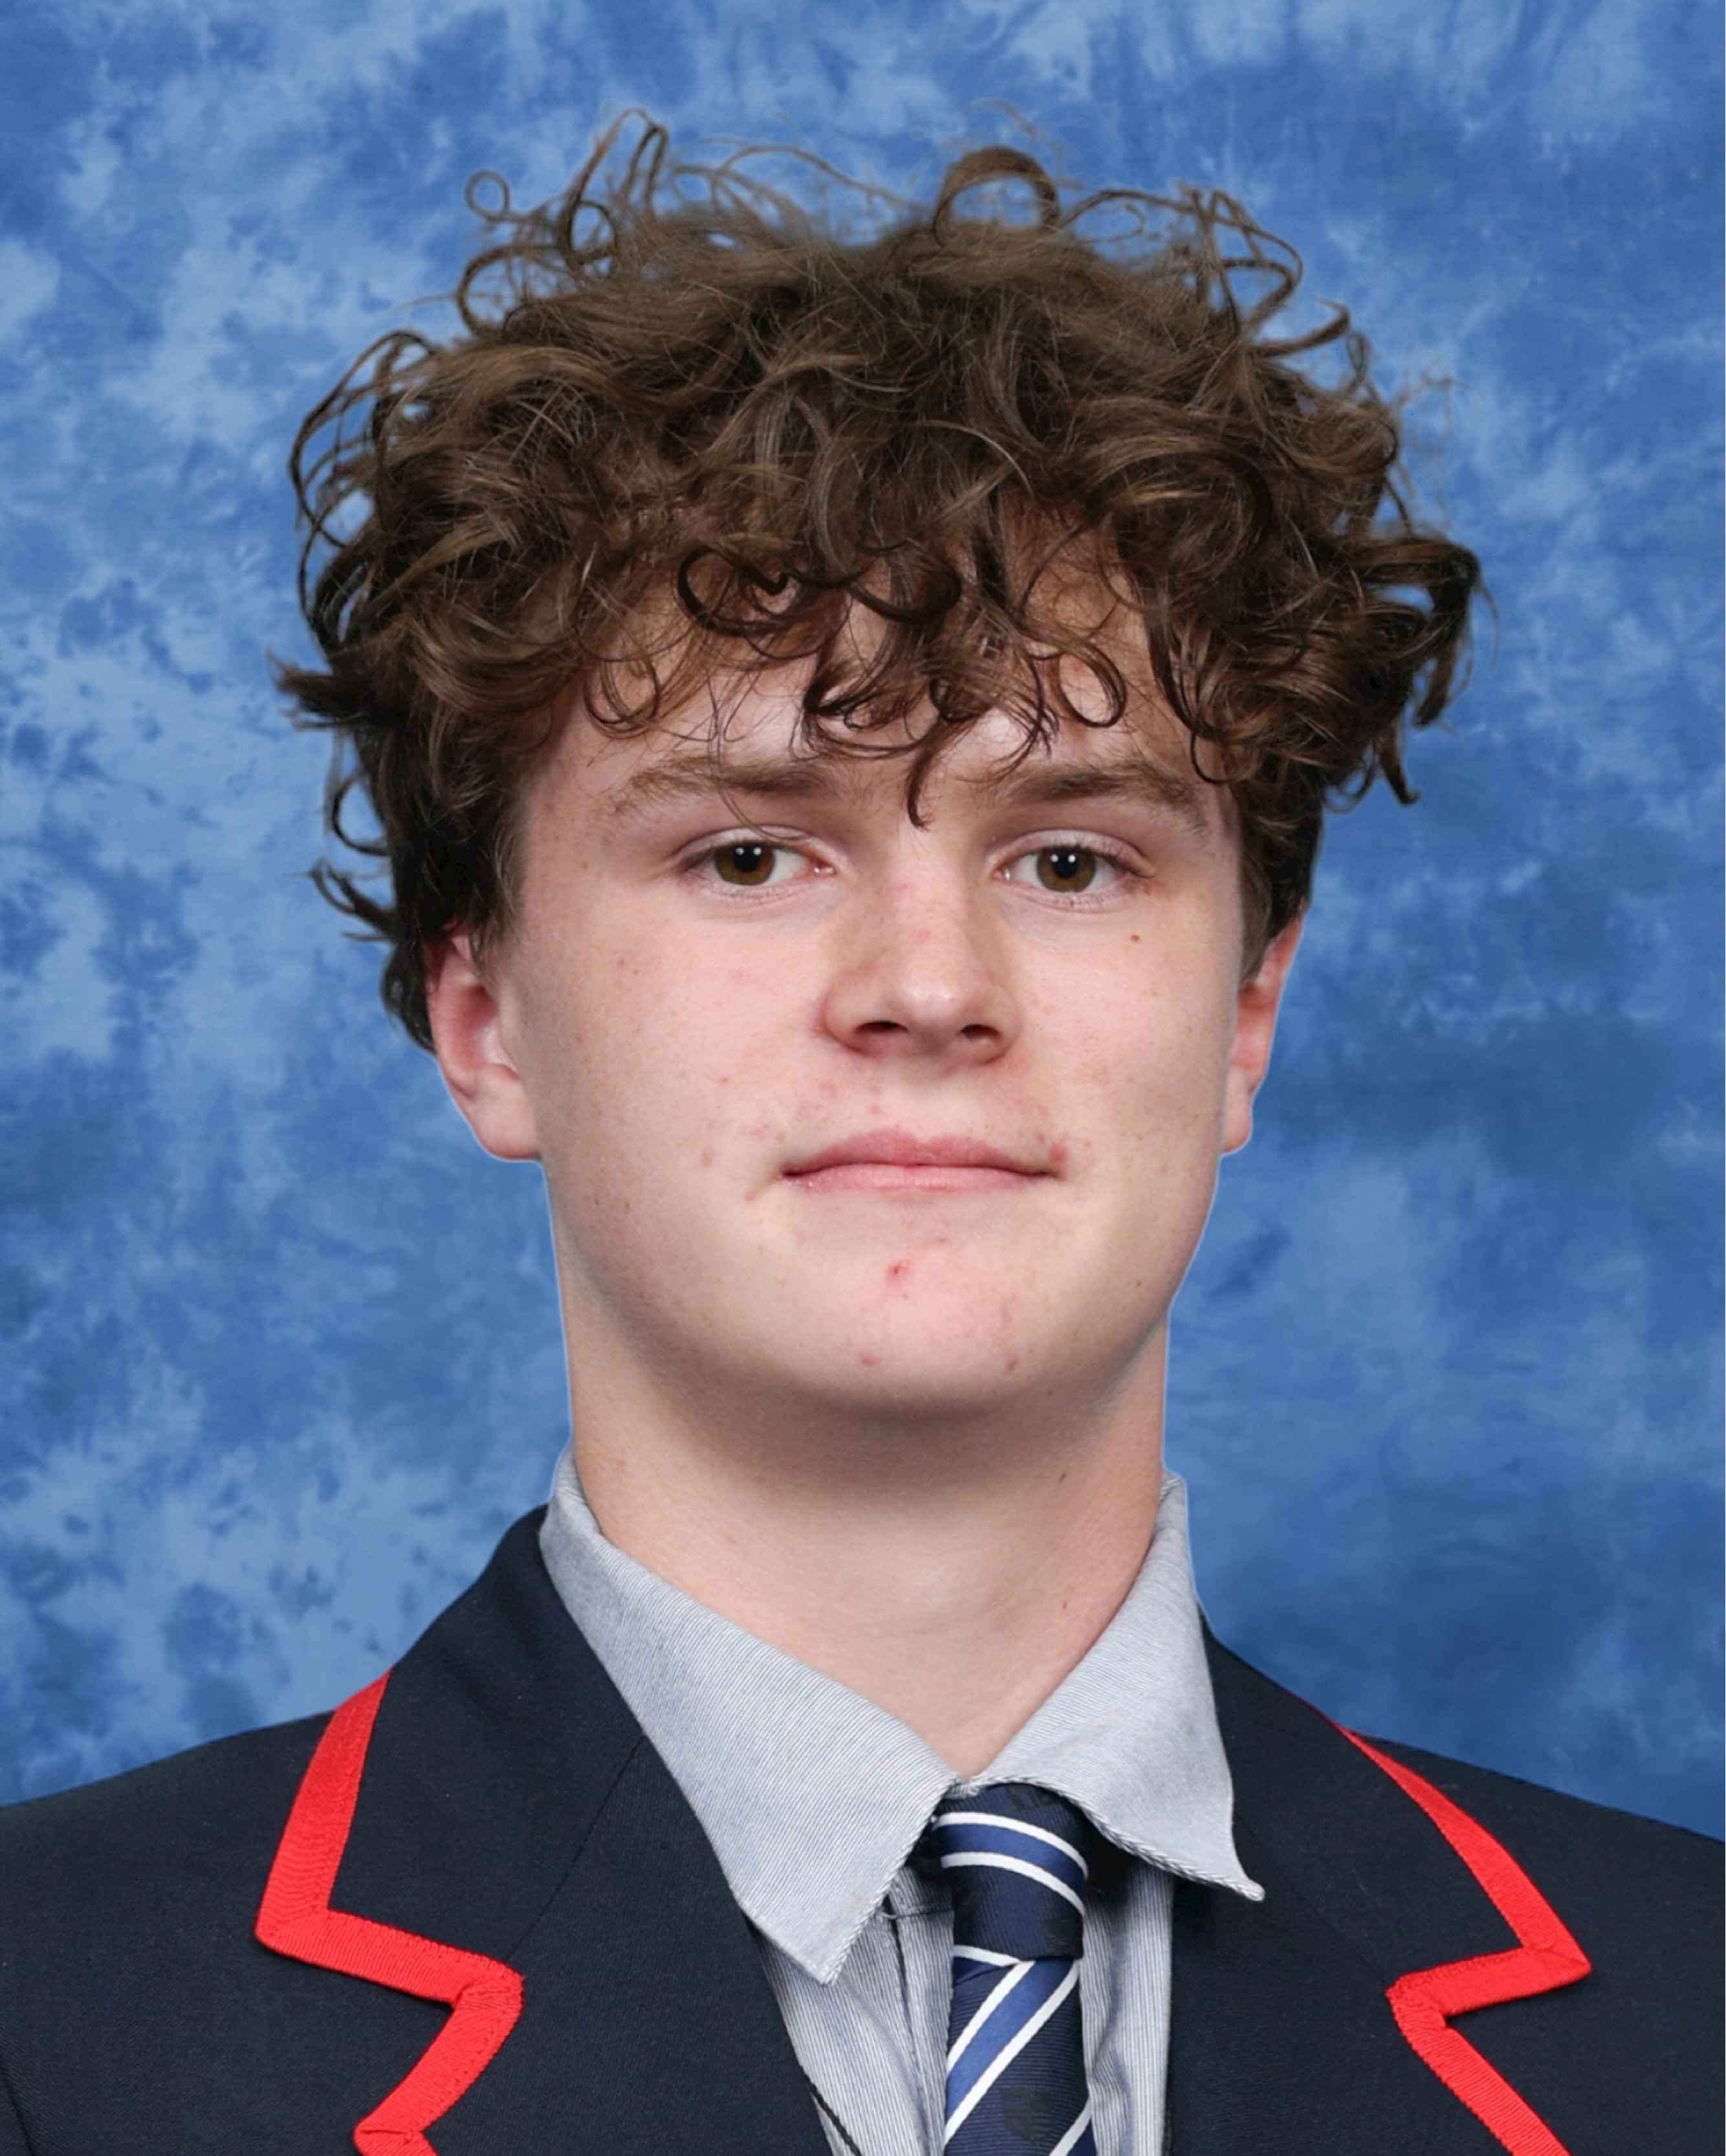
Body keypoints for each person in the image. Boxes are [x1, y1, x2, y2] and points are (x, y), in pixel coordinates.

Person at [0, 116, 1715, 2156]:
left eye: (1069, 857)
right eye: (748, 852)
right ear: (483, 1016)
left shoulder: (1689, 2021)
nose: (925, 982)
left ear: (1244, 1015)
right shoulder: (53, 2023)